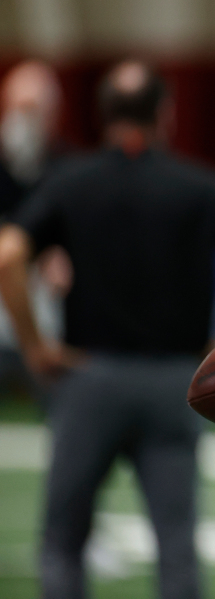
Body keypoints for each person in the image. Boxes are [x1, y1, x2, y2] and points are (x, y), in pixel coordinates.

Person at [0, 60, 215, 599]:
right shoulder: (199, 185)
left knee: (64, 542)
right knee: (176, 545)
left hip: (90, 378)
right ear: (166, 113)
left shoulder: (71, 182)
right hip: (174, 384)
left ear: (100, 113)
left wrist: (36, 347)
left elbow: (9, 254)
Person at [0, 61, 73, 400]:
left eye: (33, 109)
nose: (23, 119)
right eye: (18, 108)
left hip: (46, 295)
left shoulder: (68, 169)